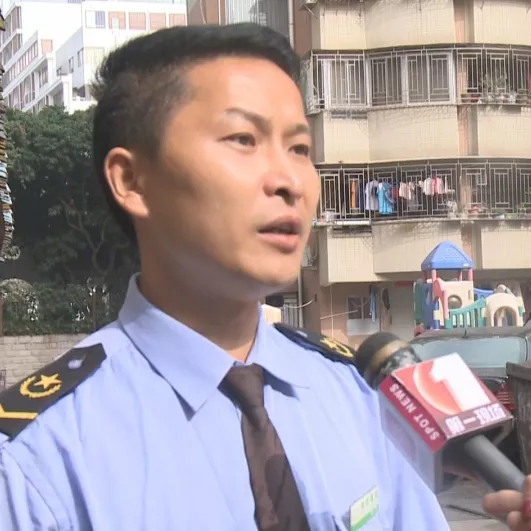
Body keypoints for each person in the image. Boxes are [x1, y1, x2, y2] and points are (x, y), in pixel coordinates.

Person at [0, 22, 529, 531]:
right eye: (243, 139)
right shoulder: (38, 460)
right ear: (131, 179)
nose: (289, 181)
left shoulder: (358, 396)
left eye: (300, 149)